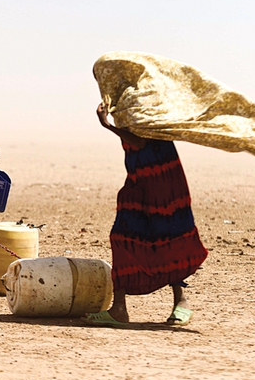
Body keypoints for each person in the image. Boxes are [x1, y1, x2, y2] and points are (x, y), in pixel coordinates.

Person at [82, 103, 208, 327]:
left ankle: (182, 301)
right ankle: (119, 309)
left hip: (163, 180)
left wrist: (106, 125)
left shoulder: (145, 103)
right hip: (138, 179)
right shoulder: (124, 103)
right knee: (122, 237)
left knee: (170, 238)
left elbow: (140, 140)